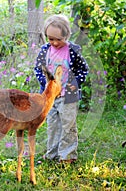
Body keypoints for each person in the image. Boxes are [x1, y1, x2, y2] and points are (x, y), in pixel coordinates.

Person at [34, 14, 89, 163]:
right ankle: (52, 153)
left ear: (67, 36)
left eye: (59, 39)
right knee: (52, 125)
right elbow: (38, 69)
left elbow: (83, 69)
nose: (55, 43)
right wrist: (44, 82)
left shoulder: (73, 51)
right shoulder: (45, 50)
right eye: (51, 39)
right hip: (50, 97)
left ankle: (67, 155)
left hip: (68, 96)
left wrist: (76, 82)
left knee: (68, 125)